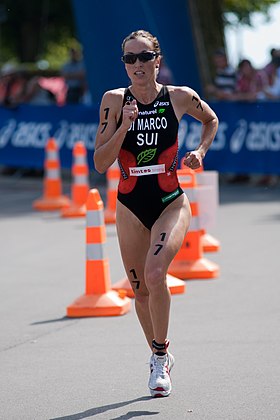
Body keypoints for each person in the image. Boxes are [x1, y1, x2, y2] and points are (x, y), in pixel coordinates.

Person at [94, 29, 218, 398]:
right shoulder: (114, 101)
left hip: (170, 201)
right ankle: (158, 353)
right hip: (130, 205)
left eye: (144, 57)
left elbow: (210, 120)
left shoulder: (179, 97)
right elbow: (101, 162)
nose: (137, 65)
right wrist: (124, 126)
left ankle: (160, 358)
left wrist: (200, 151)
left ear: (157, 60)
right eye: (129, 59)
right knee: (140, 292)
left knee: (154, 272)